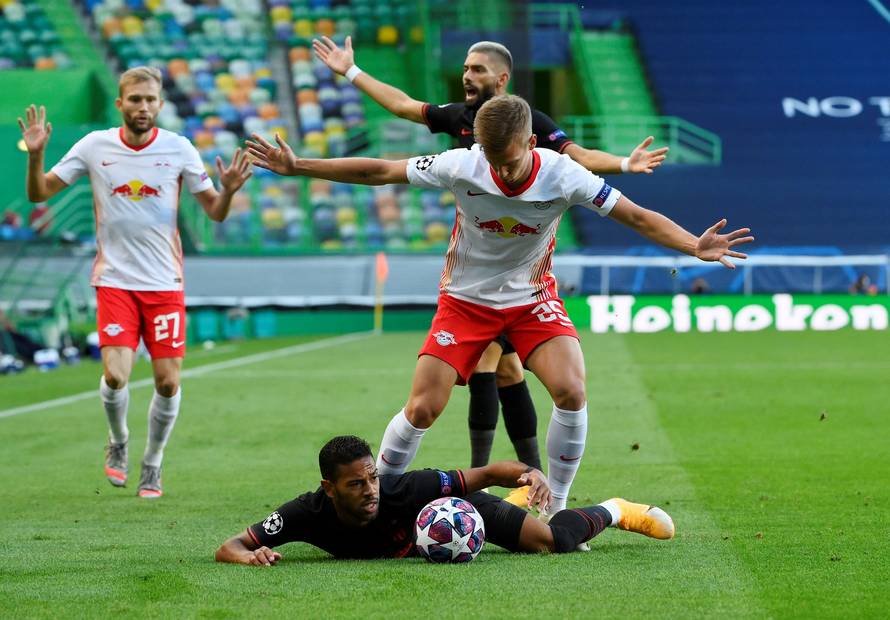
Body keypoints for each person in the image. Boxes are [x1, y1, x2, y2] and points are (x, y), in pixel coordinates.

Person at [246, 94, 753, 516]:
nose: (497, 168)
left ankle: (555, 510)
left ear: (531, 143)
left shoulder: (565, 174)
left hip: (532, 298)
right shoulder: (463, 163)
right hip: (465, 301)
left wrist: (692, 245)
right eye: (489, 157)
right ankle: (386, 508)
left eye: (507, 159)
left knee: (572, 390)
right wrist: (300, 166)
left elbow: (637, 217)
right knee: (423, 407)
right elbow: (380, 169)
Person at [314, 38, 669, 504]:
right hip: (472, 281)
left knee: (511, 374)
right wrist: (351, 72)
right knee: (484, 377)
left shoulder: (534, 128)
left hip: (523, 284)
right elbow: (401, 108)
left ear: (501, 80)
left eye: (477, 69)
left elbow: (579, 159)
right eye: (464, 67)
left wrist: (622, 164)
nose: (466, 76)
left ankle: (539, 489)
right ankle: (483, 473)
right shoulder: (460, 132)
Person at [19, 66, 253, 498]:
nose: (142, 107)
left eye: (150, 100)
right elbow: (39, 194)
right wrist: (36, 156)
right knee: (115, 376)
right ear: (120, 103)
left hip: (165, 283)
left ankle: (153, 462)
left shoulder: (179, 149)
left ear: (160, 104)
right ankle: (119, 441)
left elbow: (214, 212)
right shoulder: (95, 146)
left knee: (167, 382)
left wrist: (230, 191)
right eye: (135, 99)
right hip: (115, 281)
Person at [214, 435, 674, 565]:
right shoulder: (305, 514)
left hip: (463, 515)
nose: (370, 490)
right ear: (329, 488)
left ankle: (617, 509)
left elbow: (486, 472)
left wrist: (530, 472)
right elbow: (230, 546)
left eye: (372, 478)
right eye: (356, 484)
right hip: (443, 530)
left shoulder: (404, 489)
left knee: (552, 542)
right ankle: (515, 502)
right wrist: (250, 558)